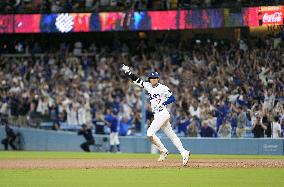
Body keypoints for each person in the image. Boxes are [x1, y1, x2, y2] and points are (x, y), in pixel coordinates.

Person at [121, 64, 190, 166]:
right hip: (158, 115)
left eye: (155, 78)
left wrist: (163, 103)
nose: (153, 80)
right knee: (172, 136)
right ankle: (184, 152)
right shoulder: (148, 86)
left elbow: (172, 98)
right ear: (150, 79)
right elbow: (137, 80)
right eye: (152, 78)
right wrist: (128, 72)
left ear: (158, 79)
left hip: (163, 113)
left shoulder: (163, 87)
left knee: (149, 133)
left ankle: (163, 150)